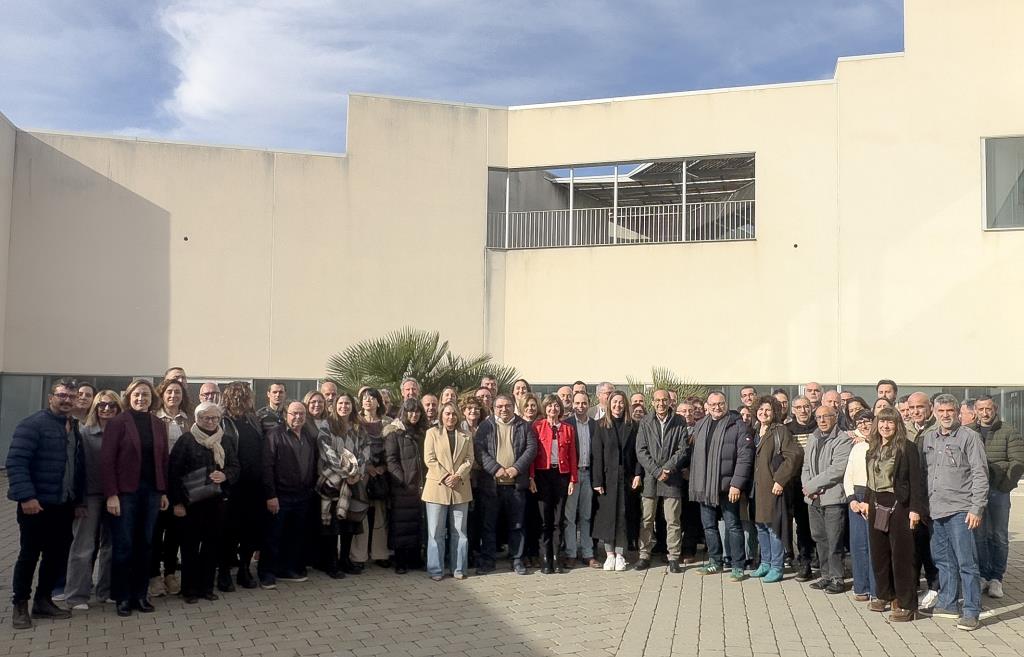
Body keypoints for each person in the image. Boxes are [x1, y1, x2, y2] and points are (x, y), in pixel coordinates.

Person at [6, 379, 84, 629]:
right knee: (29, 556)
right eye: (62, 395)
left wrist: (78, 500)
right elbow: (16, 463)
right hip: (36, 505)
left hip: (64, 505)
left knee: (56, 556)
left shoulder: (74, 427)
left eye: (72, 397)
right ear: (51, 397)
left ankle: (43, 601)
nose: (67, 400)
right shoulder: (32, 425)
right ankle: (20, 605)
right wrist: (26, 497)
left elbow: (77, 467)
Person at [919, 394, 988, 631]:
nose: (945, 415)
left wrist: (976, 508)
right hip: (935, 509)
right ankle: (948, 603)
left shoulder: (970, 438)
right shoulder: (929, 438)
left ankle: (971, 611)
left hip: (961, 509)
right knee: (943, 560)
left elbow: (980, 474)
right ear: (935, 413)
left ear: (957, 412)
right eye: (941, 411)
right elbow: (924, 474)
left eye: (950, 411)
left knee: (966, 562)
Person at [102, 379, 170, 617]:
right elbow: (107, 460)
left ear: (152, 398)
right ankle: (122, 597)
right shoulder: (118, 423)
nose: (141, 399)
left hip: (151, 493)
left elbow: (163, 461)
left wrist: (162, 491)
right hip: (125, 493)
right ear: (129, 397)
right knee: (123, 546)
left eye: (146, 395)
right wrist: (111, 494)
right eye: (137, 395)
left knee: (146, 545)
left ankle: (140, 595)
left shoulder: (158, 424)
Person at [853, 407, 923, 622]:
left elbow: (916, 480)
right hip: (876, 503)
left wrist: (915, 509)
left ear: (897, 425)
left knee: (901, 556)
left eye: (890, 422)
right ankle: (886, 595)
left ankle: (906, 604)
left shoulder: (907, 448)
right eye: (882, 422)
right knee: (879, 553)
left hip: (899, 505)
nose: (885, 426)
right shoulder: (872, 448)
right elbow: (869, 480)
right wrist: (865, 501)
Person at [168, 402, 239, 604]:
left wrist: (224, 475)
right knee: (190, 548)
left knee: (212, 547)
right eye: (206, 418)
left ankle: (206, 587)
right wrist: (177, 504)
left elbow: (235, 466)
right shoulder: (186, 440)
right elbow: (173, 474)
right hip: (190, 504)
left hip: (216, 503)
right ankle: (189, 590)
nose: (210, 422)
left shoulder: (225, 440)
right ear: (197, 419)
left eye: (214, 418)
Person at [689, 392, 754, 581]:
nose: (717, 407)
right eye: (713, 404)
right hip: (704, 486)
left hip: (728, 486)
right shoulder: (701, 425)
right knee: (708, 526)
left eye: (721, 403)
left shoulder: (738, 425)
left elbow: (745, 457)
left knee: (733, 526)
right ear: (707, 406)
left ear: (726, 404)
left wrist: (736, 484)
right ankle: (715, 561)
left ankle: (738, 565)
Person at [64, 390, 120, 611]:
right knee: (83, 547)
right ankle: (76, 595)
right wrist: (78, 501)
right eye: (102, 405)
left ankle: (106, 591)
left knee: (111, 546)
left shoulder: (122, 433)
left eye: (112, 406)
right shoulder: (84, 433)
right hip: (90, 497)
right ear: (95, 408)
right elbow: (76, 469)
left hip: (115, 496)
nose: (106, 409)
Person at [474, 394, 537, 575]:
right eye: (500, 406)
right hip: (491, 485)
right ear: (494, 408)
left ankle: (517, 559)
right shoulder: (485, 426)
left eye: (507, 406)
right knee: (489, 525)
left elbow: (531, 449)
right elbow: (479, 450)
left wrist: (516, 468)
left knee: (517, 524)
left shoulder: (523, 426)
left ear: (513, 406)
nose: (504, 409)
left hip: (515, 485)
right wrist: (495, 469)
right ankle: (487, 560)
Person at [260, 401, 317, 588]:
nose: (298, 417)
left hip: (302, 495)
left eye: (301, 413)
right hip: (280, 496)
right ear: (286, 415)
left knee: (294, 536)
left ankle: (286, 569)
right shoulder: (274, 435)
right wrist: (270, 495)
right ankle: (267, 573)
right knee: (273, 536)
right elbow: (267, 467)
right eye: (294, 413)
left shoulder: (309, 435)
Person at [972, 395, 1024, 599]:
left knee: (999, 536)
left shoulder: (1008, 431)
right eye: (981, 409)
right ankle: (983, 574)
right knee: (980, 535)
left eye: (988, 409)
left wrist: (1004, 486)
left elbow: (1018, 461)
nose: (985, 413)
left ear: (995, 409)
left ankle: (996, 578)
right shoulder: (969, 431)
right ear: (975, 411)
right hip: (976, 492)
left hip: (998, 492)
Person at [634, 390, 690, 573]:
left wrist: (668, 468)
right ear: (652, 402)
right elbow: (641, 451)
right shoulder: (645, 422)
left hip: (672, 477)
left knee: (673, 519)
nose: (661, 403)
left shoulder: (679, 421)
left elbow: (683, 449)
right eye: (657, 400)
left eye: (664, 400)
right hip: (651, 477)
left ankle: (673, 557)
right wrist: (657, 471)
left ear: (670, 402)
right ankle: (644, 555)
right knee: (647, 519)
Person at [801, 404, 853, 594]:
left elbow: (837, 470)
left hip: (832, 498)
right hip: (813, 499)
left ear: (835, 416)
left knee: (834, 541)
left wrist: (812, 486)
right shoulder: (813, 438)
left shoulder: (843, 439)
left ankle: (838, 579)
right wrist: (807, 487)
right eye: (819, 417)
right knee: (820, 538)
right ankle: (825, 576)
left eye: (826, 416)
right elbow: (806, 465)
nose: (822, 420)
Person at [751, 396, 802, 584]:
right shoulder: (756, 430)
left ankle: (777, 566)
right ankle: (764, 563)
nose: (764, 413)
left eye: (768, 410)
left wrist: (780, 480)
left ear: (774, 413)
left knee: (774, 527)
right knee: (760, 525)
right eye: (761, 410)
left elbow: (794, 455)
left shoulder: (780, 430)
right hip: (756, 487)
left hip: (773, 486)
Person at [218, 382, 264, 590]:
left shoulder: (253, 419)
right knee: (229, 531)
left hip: (253, 485)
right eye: (244, 396)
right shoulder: (221, 421)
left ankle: (244, 570)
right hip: (232, 485)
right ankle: (224, 573)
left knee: (250, 529)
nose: (246, 400)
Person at [150, 377, 192, 598]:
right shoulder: (154, 419)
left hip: (182, 485)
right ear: (162, 395)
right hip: (158, 483)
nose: (173, 396)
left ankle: (170, 573)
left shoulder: (189, 420)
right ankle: (154, 575)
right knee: (156, 532)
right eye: (169, 392)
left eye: (177, 392)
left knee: (176, 532)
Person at [423, 402, 474, 581]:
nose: (450, 417)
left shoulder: (466, 435)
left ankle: (459, 569)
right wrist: (445, 476)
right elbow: (429, 459)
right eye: (447, 414)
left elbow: (469, 459)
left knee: (459, 531)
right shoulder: (432, 433)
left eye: (453, 414)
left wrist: (458, 475)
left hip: (460, 488)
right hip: (437, 488)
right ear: (441, 415)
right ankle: (436, 569)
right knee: (435, 532)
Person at [591, 390, 641, 572]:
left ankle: (620, 554)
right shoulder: (600, 425)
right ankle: (609, 554)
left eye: (621, 402)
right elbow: (596, 455)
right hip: (606, 478)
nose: (618, 406)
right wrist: (597, 480)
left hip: (627, 478)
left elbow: (638, 454)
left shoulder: (633, 426)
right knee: (607, 517)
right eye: (614, 403)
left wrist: (637, 474)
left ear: (625, 405)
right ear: (609, 404)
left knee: (623, 516)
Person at [529, 395, 578, 574]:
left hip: (561, 476)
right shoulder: (537, 427)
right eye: (549, 406)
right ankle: (545, 558)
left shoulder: (568, 428)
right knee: (544, 520)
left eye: (556, 406)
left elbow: (573, 455)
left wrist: (573, 479)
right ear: (545, 408)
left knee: (558, 520)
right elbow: (532, 454)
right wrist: (531, 477)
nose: (553, 409)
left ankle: (557, 556)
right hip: (542, 475)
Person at [325, 393, 370, 576]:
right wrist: (345, 474)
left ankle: (345, 559)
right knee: (333, 524)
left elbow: (365, 449)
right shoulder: (327, 426)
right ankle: (332, 563)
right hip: (333, 481)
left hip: (354, 481)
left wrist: (357, 473)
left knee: (350, 522)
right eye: (341, 403)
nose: (344, 406)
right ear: (335, 405)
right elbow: (327, 452)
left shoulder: (359, 427)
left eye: (348, 403)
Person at [384, 399, 427, 574]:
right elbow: (391, 460)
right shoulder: (395, 434)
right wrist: (403, 480)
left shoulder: (424, 432)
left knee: (417, 522)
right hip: (403, 487)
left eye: (417, 411)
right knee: (401, 524)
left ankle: (415, 558)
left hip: (422, 486)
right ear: (404, 412)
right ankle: (400, 561)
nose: (414, 415)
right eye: (410, 411)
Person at [842, 409, 877, 602]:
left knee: (874, 546)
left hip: (873, 498)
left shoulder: (880, 445)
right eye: (860, 423)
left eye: (867, 421)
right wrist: (852, 499)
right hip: (856, 497)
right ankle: (861, 586)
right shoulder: (855, 447)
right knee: (858, 545)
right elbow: (848, 475)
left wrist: (868, 502)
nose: (864, 426)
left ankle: (876, 589)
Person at [357, 388, 391, 568]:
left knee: (380, 514)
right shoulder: (356, 422)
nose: (368, 401)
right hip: (361, 473)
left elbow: (393, 449)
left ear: (379, 401)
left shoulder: (388, 423)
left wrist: (383, 467)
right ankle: (358, 556)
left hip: (382, 474)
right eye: (364, 398)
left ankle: (380, 553)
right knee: (359, 513)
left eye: (372, 398)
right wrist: (367, 466)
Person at [564, 392, 598, 568]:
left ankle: (587, 553)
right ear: (573, 405)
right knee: (570, 517)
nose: (581, 406)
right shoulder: (567, 424)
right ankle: (570, 553)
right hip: (573, 475)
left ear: (589, 404)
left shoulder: (595, 425)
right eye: (577, 403)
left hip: (589, 474)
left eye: (584, 403)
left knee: (586, 515)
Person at [787, 395, 818, 580]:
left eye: (806, 407)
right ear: (793, 409)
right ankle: (804, 561)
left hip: (819, 484)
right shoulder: (788, 430)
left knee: (820, 526)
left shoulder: (819, 426)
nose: (803, 410)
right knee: (802, 525)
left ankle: (822, 560)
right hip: (797, 485)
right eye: (799, 407)